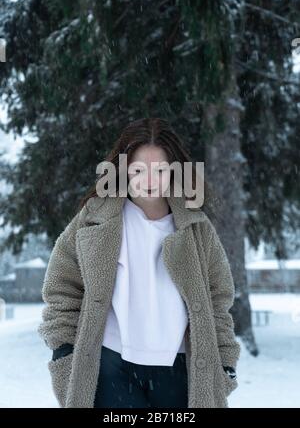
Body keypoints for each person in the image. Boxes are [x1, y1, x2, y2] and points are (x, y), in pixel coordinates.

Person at [38, 118, 240, 408]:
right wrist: (63, 349)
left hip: (182, 370)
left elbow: (218, 300)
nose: (148, 181)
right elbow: (61, 287)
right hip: (110, 366)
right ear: (123, 170)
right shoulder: (95, 219)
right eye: (138, 170)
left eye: (159, 171)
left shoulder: (197, 227)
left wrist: (224, 362)